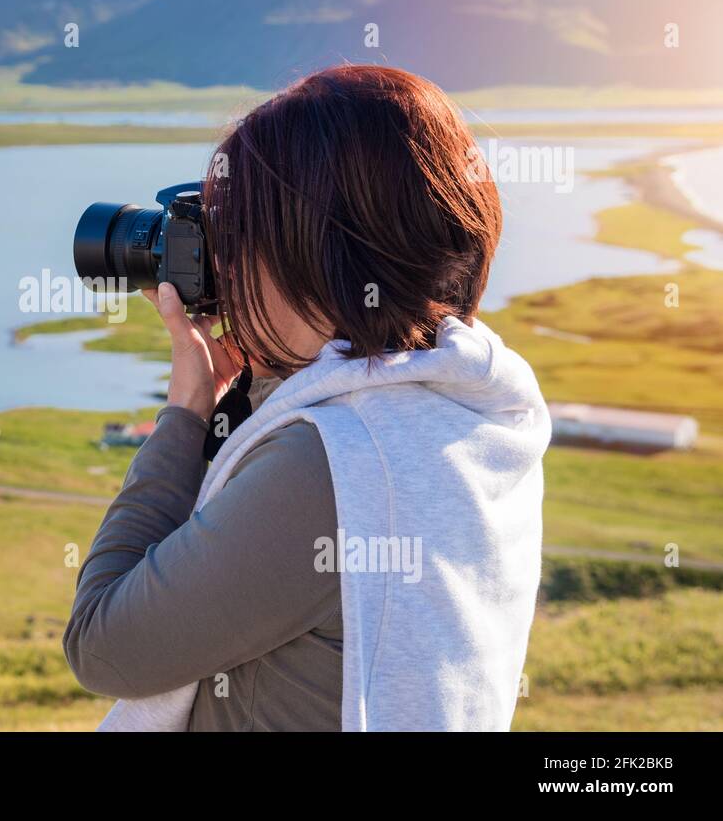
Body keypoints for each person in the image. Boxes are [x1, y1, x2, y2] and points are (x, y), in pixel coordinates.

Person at [63, 64, 551, 731]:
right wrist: (267, 373)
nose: (225, 267)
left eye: (241, 238)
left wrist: (185, 411)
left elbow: (103, 646)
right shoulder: (478, 403)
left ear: (316, 257)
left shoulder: (330, 463)